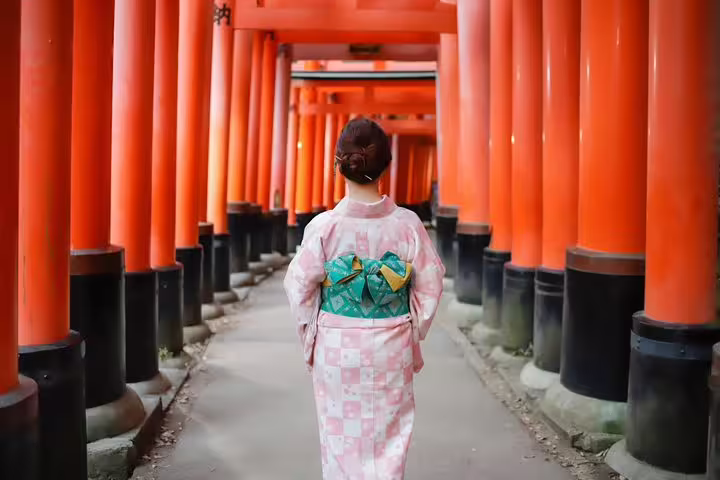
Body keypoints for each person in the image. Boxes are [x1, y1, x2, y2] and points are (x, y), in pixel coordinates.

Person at [283, 118, 445, 479]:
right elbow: (431, 283)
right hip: (391, 343)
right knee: (389, 438)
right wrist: (411, 325)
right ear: (387, 165)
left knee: (340, 438)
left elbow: (298, 287)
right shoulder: (407, 225)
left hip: (337, 346)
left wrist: (312, 334)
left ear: (338, 164)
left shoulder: (324, 227)